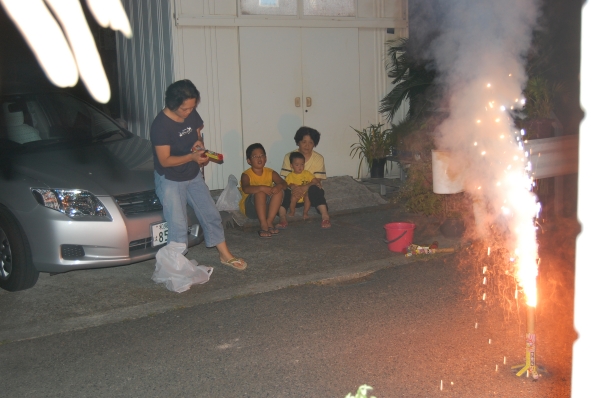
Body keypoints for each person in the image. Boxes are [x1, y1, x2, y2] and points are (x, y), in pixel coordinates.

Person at [150, 79, 247, 271]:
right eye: (185, 109)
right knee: (178, 225)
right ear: (174, 105)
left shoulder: (191, 112)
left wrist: (199, 146)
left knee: (210, 213)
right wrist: (192, 157)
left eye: (192, 107)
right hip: (170, 179)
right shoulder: (160, 126)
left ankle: (224, 254)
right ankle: (176, 268)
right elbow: (164, 160)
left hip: (192, 174)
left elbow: (196, 135)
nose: (190, 112)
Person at [279, 126, 331, 229]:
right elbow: (287, 179)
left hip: (310, 195)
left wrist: (304, 188)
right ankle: (282, 217)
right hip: (294, 192)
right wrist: (294, 188)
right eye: (304, 142)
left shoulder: (318, 158)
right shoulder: (289, 156)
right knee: (283, 191)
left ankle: (325, 216)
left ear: (314, 144)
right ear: (298, 142)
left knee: (315, 189)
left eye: (311, 142)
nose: (307, 145)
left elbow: (317, 180)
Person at [239, 143, 287, 238]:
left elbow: (284, 184)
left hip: (267, 209)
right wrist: (262, 188)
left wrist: (279, 186)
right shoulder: (246, 175)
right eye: (255, 156)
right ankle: (263, 224)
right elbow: (246, 188)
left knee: (279, 191)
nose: (259, 158)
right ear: (249, 161)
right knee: (260, 193)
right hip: (251, 209)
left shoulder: (270, 172)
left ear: (266, 158)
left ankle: (269, 221)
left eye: (261, 155)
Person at [285, 152, 321, 220]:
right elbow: (287, 184)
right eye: (297, 165)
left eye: (302, 164)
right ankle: (292, 211)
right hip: (296, 195)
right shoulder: (290, 176)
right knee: (293, 198)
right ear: (291, 165)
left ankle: (305, 212)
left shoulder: (307, 173)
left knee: (308, 196)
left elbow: (314, 180)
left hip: (305, 194)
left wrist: (317, 182)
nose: (300, 167)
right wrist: (292, 186)